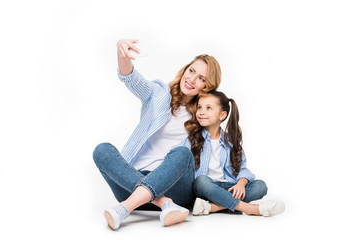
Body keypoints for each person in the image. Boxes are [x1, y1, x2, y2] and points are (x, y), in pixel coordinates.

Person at [92, 39, 222, 230]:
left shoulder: (205, 115)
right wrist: (122, 55)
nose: (192, 79)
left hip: (175, 187)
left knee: (182, 154)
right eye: (192, 71)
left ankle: (124, 210)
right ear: (185, 69)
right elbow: (130, 78)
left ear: (208, 86)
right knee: (101, 150)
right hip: (131, 184)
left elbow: (219, 150)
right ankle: (164, 204)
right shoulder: (158, 93)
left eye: (202, 78)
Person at [179, 90, 285, 216]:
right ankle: (250, 209)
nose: (201, 112)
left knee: (260, 186)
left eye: (208, 108)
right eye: (199, 107)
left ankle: (212, 207)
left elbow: (243, 169)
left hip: (229, 187)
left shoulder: (231, 142)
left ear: (222, 115)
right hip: (205, 189)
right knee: (201, 181)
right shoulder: (191, 140)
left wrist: (241, 183)